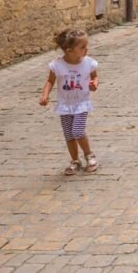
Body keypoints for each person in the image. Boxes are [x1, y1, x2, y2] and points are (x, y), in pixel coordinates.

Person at [39, 28, 100, 175]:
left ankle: (89, 155)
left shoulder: (89, 63)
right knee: (69, 134)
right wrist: (45, 95)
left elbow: (95, 77)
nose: (87, 49)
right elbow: (50, 81)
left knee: (78, 131)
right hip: (65, 105)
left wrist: (94, 84)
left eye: (86, 46)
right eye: (82, 47)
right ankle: (75, 161)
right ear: (69, 50)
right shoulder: (57, 65)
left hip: (81, 103)